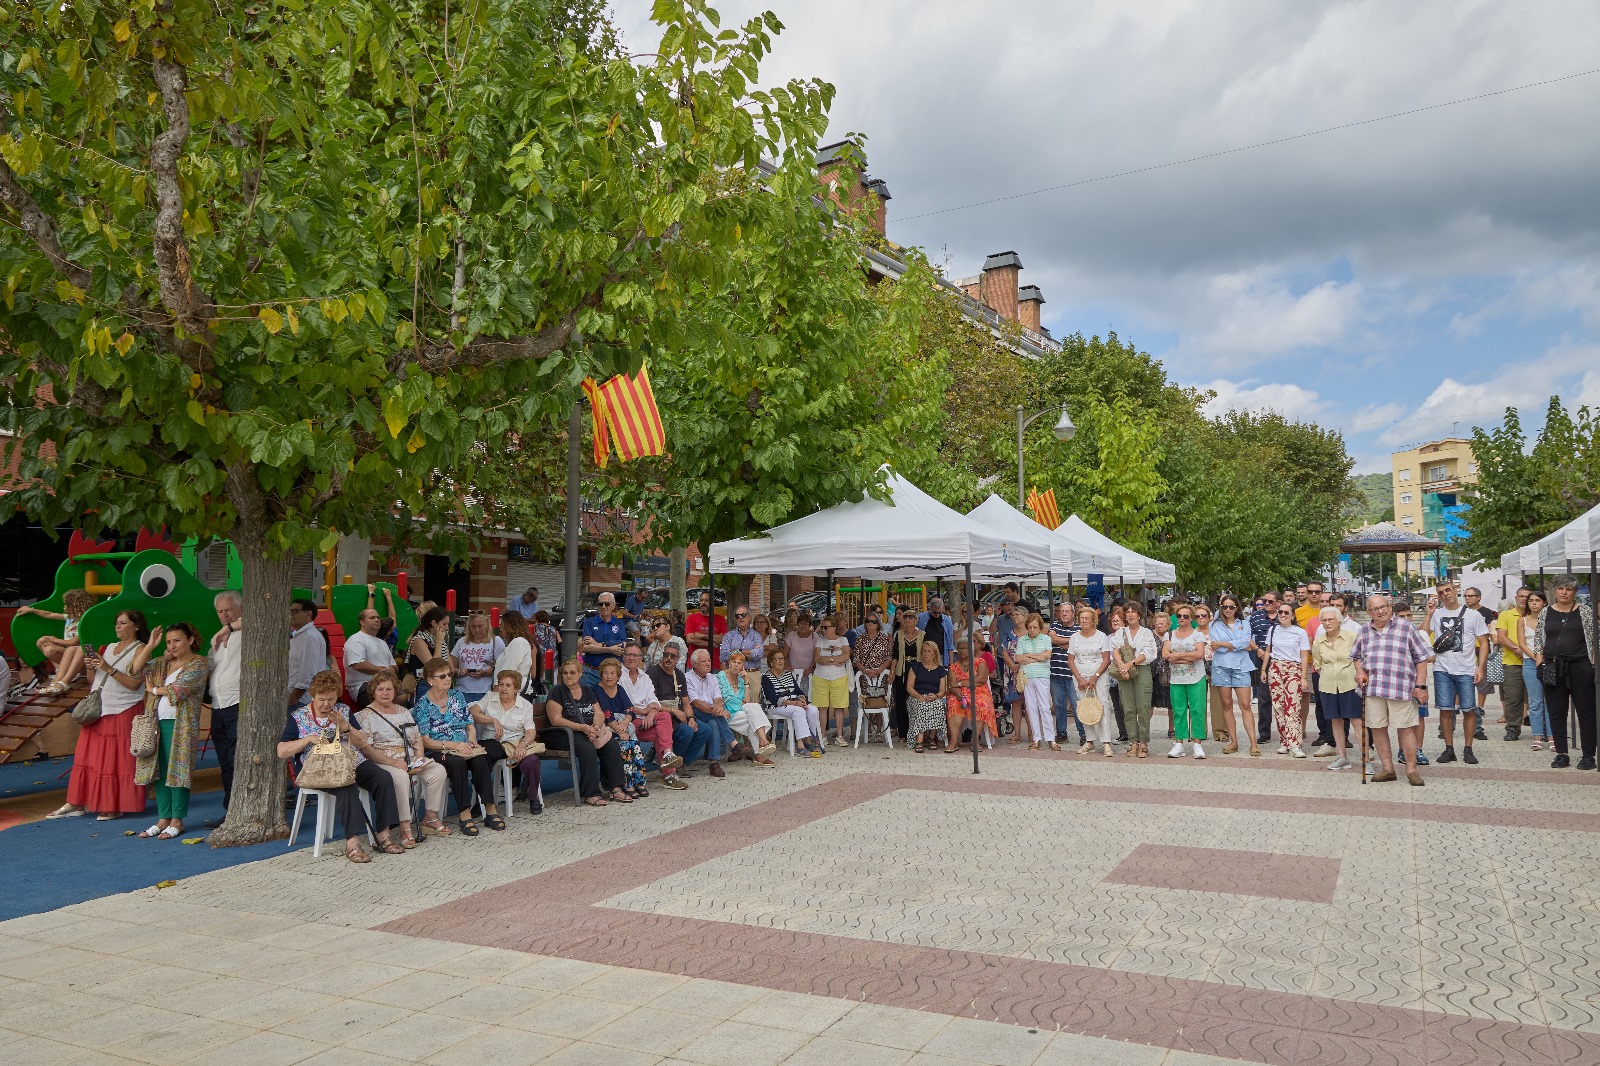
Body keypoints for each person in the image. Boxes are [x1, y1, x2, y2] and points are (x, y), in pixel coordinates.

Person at [279, 670, 406, 860]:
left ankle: (384, 834)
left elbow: (363, 740)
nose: (326, 704)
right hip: (318, 769)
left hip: (349, 761)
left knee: (382, 778)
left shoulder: (343, 710)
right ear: (313, 696)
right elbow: (281, 751)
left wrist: (346, 727)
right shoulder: (299, 717)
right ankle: (352, 843)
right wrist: (307, 740)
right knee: (346, 785)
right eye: (321, 699)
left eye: (331, 699)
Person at [48, 610, 156, 820]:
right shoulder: (109, 647)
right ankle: (77, 801)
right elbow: (93, 680)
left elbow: (135, 685)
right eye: (116, 623)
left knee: (117, 761)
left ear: (137, 626)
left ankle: (114, 804)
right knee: (87, 758)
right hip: (100, 708)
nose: (118, 627)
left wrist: (106, 668)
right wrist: (91, 668)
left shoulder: (142, 650)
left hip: (124, 708)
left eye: (123, 623)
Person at [133, 622, 212, 840]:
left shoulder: (199, 663)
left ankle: (177, 820)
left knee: (178, 772)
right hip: (156, 725)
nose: (173, 645)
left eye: (177, 640)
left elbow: (180, 689)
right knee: (158, 771)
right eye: (169, 642)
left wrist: (153, 690)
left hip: (182, 726)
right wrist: (150, 645)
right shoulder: (161, 663)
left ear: (191, 640)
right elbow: (135, 669)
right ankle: (163, 818)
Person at [1351, 593, 1434, 785]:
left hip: (1401, 688)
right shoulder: (1364, 631)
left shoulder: (1406, 627)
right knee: (1378, 729)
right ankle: (1388, 769)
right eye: (1376, 609)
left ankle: (1411, 770)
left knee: (1405, 729)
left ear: (1390, 606)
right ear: (1368, 612)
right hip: (1373, 689)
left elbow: (1421, 658)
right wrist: (1359, 671)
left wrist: (1420, 686)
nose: (1381, 611)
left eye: (1384, 606)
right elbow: (1356, 656)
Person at [412, 657, 501, 834]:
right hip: (439, 750)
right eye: (442, 676)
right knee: (457, 763)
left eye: (449, 674)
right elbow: (426, 740)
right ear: (430, 680)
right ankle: (464, 814)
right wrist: (454, 745)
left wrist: (471, 741)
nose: (447, 679)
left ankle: (490, 810)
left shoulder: (457, 696)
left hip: (463, 747)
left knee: (480, 760)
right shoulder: (422, 705)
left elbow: (470, 725)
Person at [358, 670, 452, 835]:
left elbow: (416, 738)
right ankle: (404, 824)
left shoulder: (403, 712)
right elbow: (367, 750)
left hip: (409, 757)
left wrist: (419, 758)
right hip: (383, 760)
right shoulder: (364, 716)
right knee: (401, 776)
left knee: (438, 771)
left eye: (389, 689)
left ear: (395, 691)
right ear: (373, 692)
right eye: (380, 689)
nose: (385, 693)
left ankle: (430, 817)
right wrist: (393, 762)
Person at [1424, 581, 1490, 766]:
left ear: (1455, 590)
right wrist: (1429, 614)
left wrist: (1480, 668)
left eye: (1447, 590)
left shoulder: (1473, 615)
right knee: (1445, 709)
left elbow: (1484, 643)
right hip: (1442, 669)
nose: (1445, 594)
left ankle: (1468, 749)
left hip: (1466, 669)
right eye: (1440, 592)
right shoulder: (1437, 615)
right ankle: (1449, 748)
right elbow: (1422, 633)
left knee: (1469, 709)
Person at [545, 658, 628, 804]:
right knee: (587, 748)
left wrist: (596, 726)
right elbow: (556, 720)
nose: (568, 676)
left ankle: (615, 788)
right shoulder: (557, 692)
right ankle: (590, 793)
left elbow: (599, 713)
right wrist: (582, 728)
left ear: (579, 675)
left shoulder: (587, 691)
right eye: (565, 673)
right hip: (562, 733)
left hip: (587, 731)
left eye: (572, 673)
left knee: (612, 745)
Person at [1536, 573, 1597, 770]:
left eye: (1569, 589)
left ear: (1574, 592)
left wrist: (1593, 664)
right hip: (1553, 666)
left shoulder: (1586, 611)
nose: (1564, 592)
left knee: (1586, 711)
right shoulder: (1545, 612)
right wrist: (1540, 665)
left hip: (1580, 665)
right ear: (1555, 590)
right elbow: (1538, 640)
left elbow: (1596, 638)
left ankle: (1588, 754)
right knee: (1556, 711)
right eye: (1561, 588)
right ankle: (1562, 753)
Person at [468, 669, 548, 814]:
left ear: (516, 688)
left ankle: (533, 798)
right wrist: (492, 720)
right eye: (501, 684)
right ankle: (482, 801)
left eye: (508, 685)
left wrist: (523, 744)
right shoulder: (490, 697)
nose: (503, 688)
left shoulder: (525, 706)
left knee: (531, 761)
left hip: (515, 744)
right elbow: (472, 712)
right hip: (492, 743)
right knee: (480, 760)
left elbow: (531, 731)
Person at [202, 590, 244, 828]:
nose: (225, 616)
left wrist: (228, 629)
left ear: (239, 609)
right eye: (220, 611)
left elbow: (258, 617)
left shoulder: (248, 630)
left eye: (229, 610)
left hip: (237, 703)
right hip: (218, 706)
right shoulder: (214, 640)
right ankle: (230, 810)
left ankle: (236, 811)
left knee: (236, 759)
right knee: (226, 762)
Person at [619, 643, 686, 789]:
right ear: (623, 656)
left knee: (664, 718)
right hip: (628, 722)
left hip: (646, 720)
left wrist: (652, 713)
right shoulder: (618, 675)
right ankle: (669, 774)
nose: (631, 658)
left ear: (640, 659)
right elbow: (621, 704)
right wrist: (644, 712)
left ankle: (668, 760)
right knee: (663, 732)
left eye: (635, 655)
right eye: (628, 654)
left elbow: (653, 700)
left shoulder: (644, 677)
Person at [648, 643, 713, 775]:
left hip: (678, 715)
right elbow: (650, 703)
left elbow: (685, 702)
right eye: (666, 654)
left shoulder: (679, 675)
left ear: (678, 658)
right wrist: (673, 711)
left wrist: (691, 718)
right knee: (687, 732)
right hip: (660, 714)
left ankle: (681, 762)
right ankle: (667, 763)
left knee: (705, 730)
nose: (668, 658)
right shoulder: (652, 674)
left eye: (672, 656)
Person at [1310, 606, 1361, 770]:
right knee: (1335, 721)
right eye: (1324, 620)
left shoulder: (1352, 637)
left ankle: (1366, 757)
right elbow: (1317, 665)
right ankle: (1342, 756)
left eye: (1331, 619)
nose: (1327, 623)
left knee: (1356, 721)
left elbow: (1361, 659)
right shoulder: (1318, 642)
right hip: (1328, 685)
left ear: (1339, 620)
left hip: (1350, 683)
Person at [1259, 604, 1312, 758]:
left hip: (1293, 669)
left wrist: (1303, 677)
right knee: (1278, 706)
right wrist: (1263, 670)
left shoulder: (1300, 632)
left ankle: (1295, 744)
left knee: (1293, 706)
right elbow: (1268, 651)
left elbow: (1303, 656)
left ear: (1292, 615)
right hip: (1275, 668)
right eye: (1280, 612)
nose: (1282, 614)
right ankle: (1284, 741)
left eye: (1286, 612)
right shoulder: (1273, 629)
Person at [20, 588, 95, 695]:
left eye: (67, 605)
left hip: (79, 655)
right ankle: (60, 672)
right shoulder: (70, 618)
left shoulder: (84, 621)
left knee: (58, 649)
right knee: (42, 641)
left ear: (77, 607)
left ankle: (63, 680)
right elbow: (49, 615)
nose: (64, 608)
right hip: (69, 653)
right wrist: (31, 610)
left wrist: (55, 640)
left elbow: (73, 642)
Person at [596, 658, 651, 798]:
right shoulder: (597, 690)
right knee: (625, 745)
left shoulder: (619, 688)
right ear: (601, 674)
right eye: (606, 673)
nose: (609, 676)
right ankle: (627, 783)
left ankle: (639, 782)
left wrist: (626, 722)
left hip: (622, 725)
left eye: (612, 673)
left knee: (636, 746)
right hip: (608, 728)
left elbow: (629, 709)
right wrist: (619, 730)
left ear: (618, 676)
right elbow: (606, 714)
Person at [1208, 595, 1255, 756]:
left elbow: (1245, 643)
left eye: (1231, 607)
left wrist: (1223, 643)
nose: (1228, 610)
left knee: (1245, 705)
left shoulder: (1244, 623)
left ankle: (1253, 743)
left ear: (1237, 608)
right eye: (1225, 606)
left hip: (1241, 666)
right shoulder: (1214, 625)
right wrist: (1234, 644)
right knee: (1226, 705)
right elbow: (1215, 646)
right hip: (1221, 667)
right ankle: (1233, 741)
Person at [1163, 605, 1210, 759]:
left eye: (1186, 616)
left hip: (1196, 677)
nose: (1182, 619)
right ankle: (1179, 743)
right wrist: (1185, 657)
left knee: (1197, 709)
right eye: (1179, 616)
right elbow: (1165, 654)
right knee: (1179, 710)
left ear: (1192, 619)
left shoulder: (1198, 635)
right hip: (1176, 678)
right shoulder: (1169, 635)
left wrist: (1178, 656)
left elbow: (1199, 654)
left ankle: (1197, 744)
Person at [1112, 603, 1157, 759]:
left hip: (1141, 670)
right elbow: (1115, 650)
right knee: (1128, 708)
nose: (1130, 614)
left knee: (1143, 708)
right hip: (1124, 671)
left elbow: (1148, 653)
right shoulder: (1120, 632)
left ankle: (1143, 741)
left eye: (1133, 612)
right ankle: (1133, 742)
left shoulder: (1146, 633)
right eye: (1128, 612)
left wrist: (1130, 664)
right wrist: (1122, 667)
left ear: (1139, 615)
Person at [1070, 607, 1115, 757]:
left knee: (1102, 706)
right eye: (1082, 618)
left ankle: (1106, 742)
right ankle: (1089, 741)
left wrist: (1095, 677)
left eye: (1087, 618)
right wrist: (1079, 678)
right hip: (1080, 677)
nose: (1084, 621)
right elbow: (1071, 660)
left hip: (1099, 676)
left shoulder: (1101, 636)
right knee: (1085, 708)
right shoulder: (1074, 637)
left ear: (1093, 620)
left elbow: (1106, 659)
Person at [717, 650, 776, 764]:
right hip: (727, 713)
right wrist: (742, 703)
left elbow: (747, 700)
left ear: (742, 666)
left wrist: (746, 681)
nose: (735, 665)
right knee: (753, 715)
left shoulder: (740, 678)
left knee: (753, 713)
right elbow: (726, 698)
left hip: (740, 711)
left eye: (739, 663)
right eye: (733, 662)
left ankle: (760, 751)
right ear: (729, 662)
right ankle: (762, 745)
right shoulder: (721, 676)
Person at [762, 648, 824, 756]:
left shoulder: (788, 674)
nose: (781, 661)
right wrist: (794, 703)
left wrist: (801, 699)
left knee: (813, 710)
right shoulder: (766, 678)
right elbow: (773, 698)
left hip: (793, 704)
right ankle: (801, 745)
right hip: (775, 707)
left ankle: (807, 738)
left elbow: (798, 690)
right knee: (798, 711)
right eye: (778, 659)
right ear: (771, 662)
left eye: (782, 659)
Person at [684, 649, 734, 778]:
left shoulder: (712, 677)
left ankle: (714, 762)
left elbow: (718, 698)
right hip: (693, 713)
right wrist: (719, 711)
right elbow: (695, 702)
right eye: (704, 661)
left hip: (710, 713)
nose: (708, 664)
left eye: (709, 660)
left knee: (713, 723)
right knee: (715, 718)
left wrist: (718, 708)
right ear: (694, 664)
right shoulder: (687, 678)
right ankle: (734, 744)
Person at [1013, 612, 1056, 751]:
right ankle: (1036, 738)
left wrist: (1029, 656)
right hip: (1027, 676)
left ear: (1040, 627)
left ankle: (1051, 738)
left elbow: (1047, 656)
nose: (1032, 630)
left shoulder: (1045, 639)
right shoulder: (1022, 640)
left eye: (1035, 627)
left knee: (1044, 707)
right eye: (1030, 627)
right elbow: (1019, 658)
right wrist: (1037, 657)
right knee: (1031, 708)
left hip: (1042, 676)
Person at [946, 638, 997, 751]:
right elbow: (951, 685)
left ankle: (975, 740)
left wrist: (960, 683)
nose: (961, 651)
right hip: (958, 693)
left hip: (978, 691)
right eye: (959, 648)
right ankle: (954, 741)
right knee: (953, 703)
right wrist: (957, 690)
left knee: (980, 703)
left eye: (964, 648)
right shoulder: (953, 667)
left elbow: (981, 680)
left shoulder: (980, 662)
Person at [1494, 588, 1531, 742]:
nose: (1524, 599)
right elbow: (1501, 637)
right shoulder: (1506, 615)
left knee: (1538, 698)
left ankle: (1541, 728)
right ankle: (1513, 728)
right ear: (1516, 597)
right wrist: (1517, 649)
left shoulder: (1536, 615)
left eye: (1527, 597)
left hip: (1535, 662)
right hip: (1512, 663)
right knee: (1513, 698)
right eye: (1521, 596)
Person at [811, 616, 853, 745]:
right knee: (822, 707)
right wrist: (836, 660)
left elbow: (846, 655)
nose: (823, 630)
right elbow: (817, 658)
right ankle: (822, 735)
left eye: (826, 627)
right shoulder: (819, 641)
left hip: (839, 677)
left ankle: (839, 736)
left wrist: (829, 660)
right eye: (822, 627)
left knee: (839, 707)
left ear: (834, 628)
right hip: (820, 676)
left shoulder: (843, 640)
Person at [851, 615, 893, 744]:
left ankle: (879, 731)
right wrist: (864, 671)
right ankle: (868, 731)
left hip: (880, 676)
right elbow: (856, 659)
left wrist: (879, 670)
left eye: (873, 621)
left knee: (879, 701)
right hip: (865, 676)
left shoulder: (883, 639)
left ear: (878, 624)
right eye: (868, 621)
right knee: (868, 702)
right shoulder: (860, 639)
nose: (870, 624)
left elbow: (888, 658)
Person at [1518, 590, 1551, 751]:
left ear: (1544, 602)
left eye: (1538, 600)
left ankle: (1552, 737)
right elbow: (1522, 644)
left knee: (1551, 701)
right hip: (1530, 663)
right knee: (1535, 701)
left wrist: (1545, 658)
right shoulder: (1522, 621)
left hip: (1551, 663)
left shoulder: (1551, 619)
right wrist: (1537, 657)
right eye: (1531, 600)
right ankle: (1537, 737)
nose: (1534, 603)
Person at [1048, 601, 1082, 747]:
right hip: (1056, 672)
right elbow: (1052, 639)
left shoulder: (1080, 628)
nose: (1064, 614)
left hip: (1073, 674)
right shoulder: (1054, 626)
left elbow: (1079, 646)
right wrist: (1071, 642)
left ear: (1073, 614)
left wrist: (1059, 642)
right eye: (1062, 611)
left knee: (1076, 705)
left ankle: (1084, 734)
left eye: (1067, 611)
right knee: (1059, 705)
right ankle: (1061, 734)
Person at [343, 605, 396, 701]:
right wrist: (383, 670)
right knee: (387, 697)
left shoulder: (382, 642)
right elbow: (358, 665)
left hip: (385, 684)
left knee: (405, 695)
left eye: (378, 618)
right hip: (362, 686)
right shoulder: (356, 639)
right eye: (372, 617)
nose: (376, 620)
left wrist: (392, 670)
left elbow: (393, 665)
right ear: (362, 622)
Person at [450, 613, 505, 703]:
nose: (477, 630)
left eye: (480, 626)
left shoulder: (496, 641)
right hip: (461, 691)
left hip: (484, 692)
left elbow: (501, 668)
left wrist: (484, 672)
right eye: (473, 627)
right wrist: (460, 672)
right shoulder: (461, 642)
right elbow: (451, 667)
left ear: (487, 625)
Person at [905, 640, 949, 753]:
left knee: (938, 705)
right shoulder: (915, 667)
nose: (926, 654)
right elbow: (909, 687)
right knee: (922, 705)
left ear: (935, 653)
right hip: (916, 697)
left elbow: (942, 691)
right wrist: (918, 696)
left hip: (933, 697)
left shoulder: (940, 670)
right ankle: (919, 740)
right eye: (924, 651)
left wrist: (935, 696)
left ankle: (932, 738)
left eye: (929, 651)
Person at [579, 593, 628, 686]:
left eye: (607, 604)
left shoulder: (620, 623)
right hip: (590, 673)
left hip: (612, 675)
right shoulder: (589, 622)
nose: (603, 607)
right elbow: (586, 648)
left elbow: (622, 645)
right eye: (601, 604)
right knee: (588, 700)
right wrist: (610, 649)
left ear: (613, 606)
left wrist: (598, 644)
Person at [1247, 593, 1277, 745]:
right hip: (1260, 658)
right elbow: (1248, 635)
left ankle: (1286, 732)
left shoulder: (1284, 614)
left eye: (1270, 601)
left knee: (1282, 699)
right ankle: (1264, 733)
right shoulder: (1256, 616)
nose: (1267, 603)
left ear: (1278, 602)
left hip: (1280, 660)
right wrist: (1257, 649)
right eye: (1264, 601)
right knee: (1263, 697)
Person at [890, 610, 924, 742]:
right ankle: (903, 734)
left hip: (917, 671)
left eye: (911, 617)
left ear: (916, 620)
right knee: (901, 702)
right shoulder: (898, 635)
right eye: (906, 617)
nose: (908, 619)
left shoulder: (923, 635)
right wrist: (892, 672)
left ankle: (917, 733)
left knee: (916, 701)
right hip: (901, 671)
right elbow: (895, 656)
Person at [288, 598, 327, 709]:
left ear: (308, 614)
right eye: (290, 611)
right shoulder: (299, 635)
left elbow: (308, 673)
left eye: (295, 611)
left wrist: (294, 697)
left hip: (302, 700)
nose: (291, 614)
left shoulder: (310, 637)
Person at [405, 606, 450, 695]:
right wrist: (438, 643)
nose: (447, 628)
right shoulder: (419, 640)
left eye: (448, 624)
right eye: (444, 624)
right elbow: (434, 667)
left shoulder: (441, 642)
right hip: (425, 685)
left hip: (441, 684)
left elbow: (450, 667)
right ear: (433, 623)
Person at [494, 611, 536, 694]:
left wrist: (494, 694)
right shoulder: (519, 642)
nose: (500, 629)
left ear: (510, 626)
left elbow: (507, 671)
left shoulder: (518, 642)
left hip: (512, 695)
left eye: (502, 625)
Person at [685, 590, 727, 668]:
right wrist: (711, 644)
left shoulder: (720, 619)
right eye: (701, 600)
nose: (703, 603)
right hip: (694, 665)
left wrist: (702, 636)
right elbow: (690, 639)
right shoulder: (691, 618)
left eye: (707, 600)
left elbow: (723, 639)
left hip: (714, 665)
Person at [720, 606, 766, 675]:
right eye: (737, 616)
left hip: (752, 674)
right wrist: (749, 654)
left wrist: (737, 651)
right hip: (733, 674)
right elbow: (723, 655)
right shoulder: (728, 636)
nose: (740, 618)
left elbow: (759, 653)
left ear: (750, 617)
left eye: (743, 615)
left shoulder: (756, 636)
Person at [917, 597, 954, 665]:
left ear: (942, 609)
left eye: (939, 613)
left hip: (941, 655)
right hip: (925, 655)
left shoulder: (947, 621)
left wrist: (951, 663)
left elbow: (950, 643)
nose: (937, 615)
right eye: (935, 612)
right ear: (930, 608)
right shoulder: (921, 618)